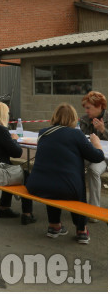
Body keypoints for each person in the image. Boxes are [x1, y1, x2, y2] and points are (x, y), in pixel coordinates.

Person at [26, 103, 105, 244]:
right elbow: (97, 157)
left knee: (53, 178)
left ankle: (54, 226)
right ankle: (81, 231)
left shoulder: (43, 132)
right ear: (73, 119)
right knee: (76, 185)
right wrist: (97, 143)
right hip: (66, 189)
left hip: (36, 186)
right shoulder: (76, 134)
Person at [79, 91, 108, 212]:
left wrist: (103, 130)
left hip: (104, 158)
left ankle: (94, 210)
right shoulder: (84, 120)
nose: (86, 111)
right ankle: (75, 202)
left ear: (99, 106)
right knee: (73, 163)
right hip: (88, 154)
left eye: (88, 108)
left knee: (94, 170)